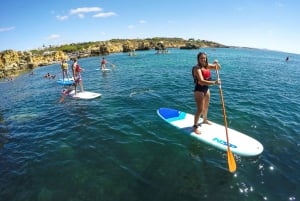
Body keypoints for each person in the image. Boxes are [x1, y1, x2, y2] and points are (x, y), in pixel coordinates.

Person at [192, 52, 221, 134]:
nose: (203, 59)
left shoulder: (206, 65)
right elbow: (201, 81)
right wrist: (215, 83)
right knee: (200, 109)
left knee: (206, 107)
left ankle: (204, 120)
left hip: (206, 89)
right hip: (199, 90)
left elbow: (218, 68)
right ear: (198, 59)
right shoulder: (196, 68)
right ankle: (195, 126)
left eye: (204, 58)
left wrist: (217, 63)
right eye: (201, 58)